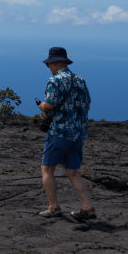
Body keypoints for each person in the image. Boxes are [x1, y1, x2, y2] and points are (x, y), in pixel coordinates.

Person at [36, 46, 95, 220]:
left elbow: (49, 105)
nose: (49, 68)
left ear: (53, 63)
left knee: (47, 169)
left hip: (59, 131)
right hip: (77, 134)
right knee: (72, 172)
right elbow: (88, 105)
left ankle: (53, 207)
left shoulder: (55, 81)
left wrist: (41, 106)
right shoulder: (80, 80)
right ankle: (87, 207)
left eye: (49, 65)